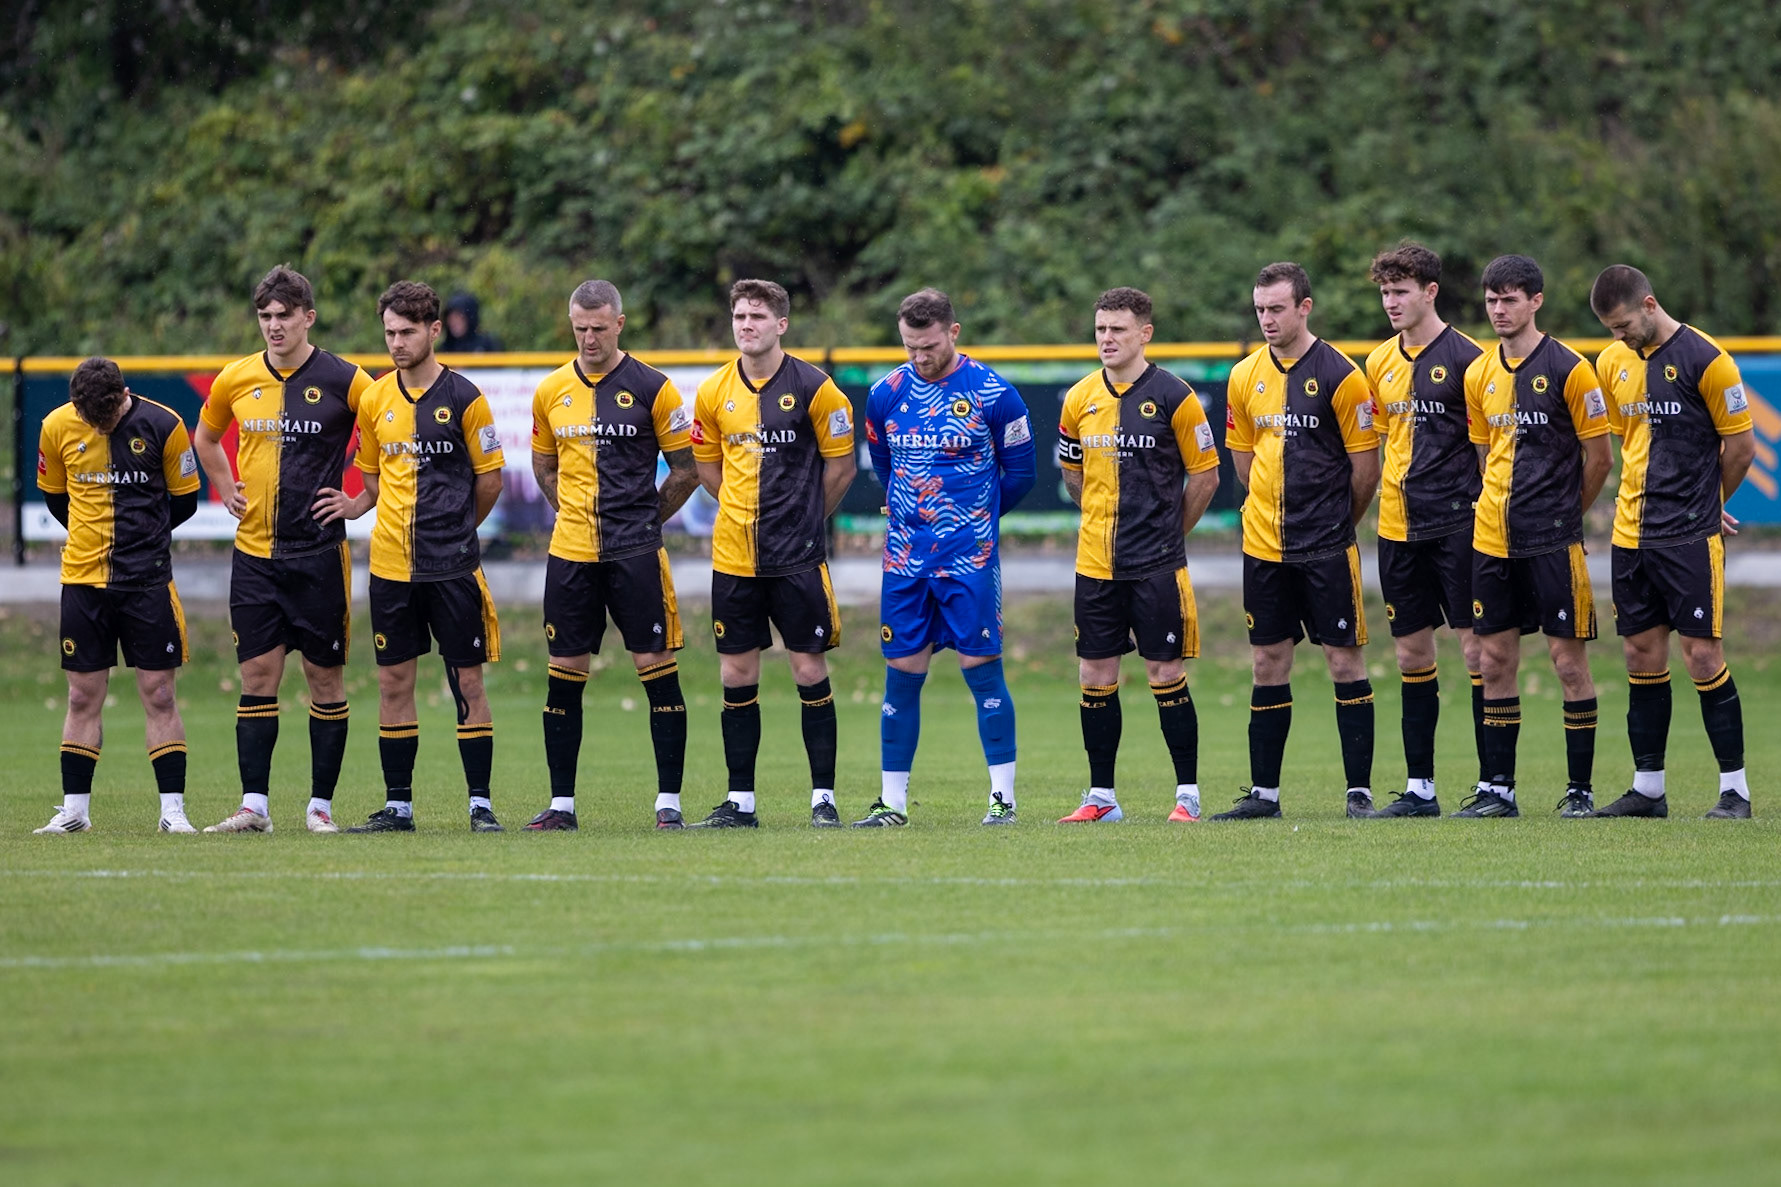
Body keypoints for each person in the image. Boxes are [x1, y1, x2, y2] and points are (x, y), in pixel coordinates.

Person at [314, 281, 508, 832]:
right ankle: (398, 806)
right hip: (391, 569)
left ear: (433, 331)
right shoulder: (374, 399)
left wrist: (457, 528)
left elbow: (490, 480)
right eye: (390, 333)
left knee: (466, 681)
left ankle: (480, 805)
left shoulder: (466, 397)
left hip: (452, 568)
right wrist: (355, 504)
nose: (397, 343)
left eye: (407, 332)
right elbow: (373, 479)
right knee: (392, 684)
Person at [194, 265, 373, 835]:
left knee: (325, 680)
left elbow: (391, 437)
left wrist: (358, 501)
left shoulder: (349, 380)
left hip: (319, 553)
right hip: (254, 556)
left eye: (284, 316)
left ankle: (320, 807)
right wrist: (224, 484)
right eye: (265, 316)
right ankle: (255, 807)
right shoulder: (236, 378)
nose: (274, 326)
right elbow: (205, 436)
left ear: (308, 318)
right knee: (257, 675)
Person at [854, 287, 1037, 827]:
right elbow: (883, 467)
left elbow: (1022, 474)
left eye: (928, 346)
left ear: (953, 333)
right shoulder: (884, 393)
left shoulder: (993, 393)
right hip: (905, 562)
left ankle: (1001, 801)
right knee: (900, 674)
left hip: (969, 561)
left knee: (981, 670)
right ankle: (892, 804)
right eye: (910, 346)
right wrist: (912, 515)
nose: (918, 357)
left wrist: (972, 522)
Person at [523, 280, 700, 831]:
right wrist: (573, 513)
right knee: (564, 673)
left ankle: (667, 805)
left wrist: (647, 518)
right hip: (571, 554)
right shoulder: (551, 390)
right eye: (580, 328)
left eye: (599, 327)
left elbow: (687, 469)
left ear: (619, 324)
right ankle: (562, 807)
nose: (589, 337)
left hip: (637, 552)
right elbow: (544, 466)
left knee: (656, 669)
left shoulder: (654, 388)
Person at [1590, 265, 1757, 818]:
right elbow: (1627, 441)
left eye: (1623, 325)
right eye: (1610, 330)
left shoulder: (1708, 359)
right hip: (1630, 533)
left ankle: (1735, 790)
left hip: (1688, 533)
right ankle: (1649, 789)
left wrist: (1711, 507)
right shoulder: (1613, 363)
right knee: (1640, 654)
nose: (1619, 338)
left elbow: (1741, 450)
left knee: (1703, 655)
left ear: (1651, 304)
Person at [689, 279, 856, 828]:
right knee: (736, 673)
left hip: (797, 557)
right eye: (738, 316)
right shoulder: (713, 391)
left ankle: (823, 798)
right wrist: (742, 513)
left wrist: (806, 521)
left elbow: (841, 468)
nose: (745, 325)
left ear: (781, 324)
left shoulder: (816, 387)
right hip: (734, 557)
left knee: (808, 667)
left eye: (757, 316)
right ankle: (741, 801)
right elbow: (708, 468)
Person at [1218, 262, 1381, 820]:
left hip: (1327, 545)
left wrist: (1338, 521)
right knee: (1267, 663)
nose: (1266, 319)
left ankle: (1358, 793)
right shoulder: (1244, 376)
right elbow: (1244, 461)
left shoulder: (1342, 375)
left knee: (1344, 661)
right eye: (1260, 309)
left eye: (1277, 309)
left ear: (1304, 307)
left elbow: (1366, 469)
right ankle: (1264, 795)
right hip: (1263, 547)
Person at [1054, 287, 1219, 824]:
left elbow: (1207, 476)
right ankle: (1102, 797)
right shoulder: (1079, 398)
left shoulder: (1176, 396)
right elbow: (1072, 475)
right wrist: (1102, 521)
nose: (1106, 338)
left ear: (1144, 333)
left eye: (1118, 329)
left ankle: (1187, 795)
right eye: (1100, 328)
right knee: (1094, 673)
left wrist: (1171, 533)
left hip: (1156, 566)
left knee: (1163, 670)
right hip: (1095, 565)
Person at [1459, 254, 1612, 818]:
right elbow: (1483, 451)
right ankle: (1498, 790)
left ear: (1535, 302)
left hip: (1552, 541)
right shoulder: (1478, 373)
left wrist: (1567, 517)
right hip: (1491, 540)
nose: (1499, 310)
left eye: (1510, 299)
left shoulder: (1572, 369)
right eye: (1492, 300)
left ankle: (1580, 790)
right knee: (1493, 660)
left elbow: (1599, 458)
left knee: (1568, 664)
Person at [33, 358, 201, 834]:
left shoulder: (165, 425)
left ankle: (173, 813)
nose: (96, 425)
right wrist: (93, 537)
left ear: (123, 394)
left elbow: (184, 500)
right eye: (88, 417)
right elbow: (55, 497)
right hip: (83, 583)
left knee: (160, 693)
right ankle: (74, 813)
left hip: (147, 583)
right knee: (82, 695)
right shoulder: (55, 426)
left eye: (104, 417)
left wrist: (141, 539)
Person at [1363, 244, 1486, 816]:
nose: (1391, 302)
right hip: (1397, 528)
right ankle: (1420, 789)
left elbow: (1488, 449)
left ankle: (1495, 786)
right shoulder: (1378, 362)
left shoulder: (1469, 359)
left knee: (1477, 653)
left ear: (1430, 291)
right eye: (1385, 292)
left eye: (1401, 292)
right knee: (1412, 654)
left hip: (1458, 525)